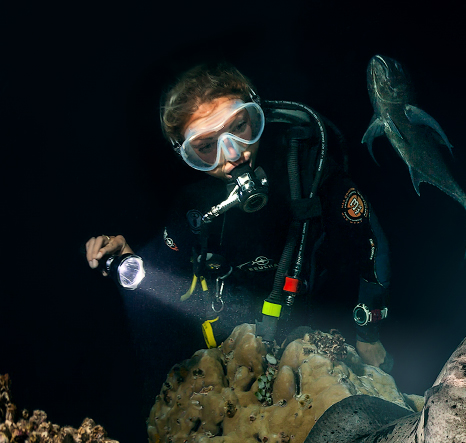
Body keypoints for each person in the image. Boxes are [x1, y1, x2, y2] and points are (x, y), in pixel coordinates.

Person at [84, 62, 390, 368]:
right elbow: (167, 281)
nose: (233, 154)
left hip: (326, 319)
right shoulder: (194, 206)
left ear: (255, 115)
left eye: (239, 126)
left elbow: (372, 241)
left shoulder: (306, 167)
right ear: (186, 154)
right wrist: (129, 258)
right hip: (242, 346)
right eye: (207, 145)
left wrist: (368, 333)